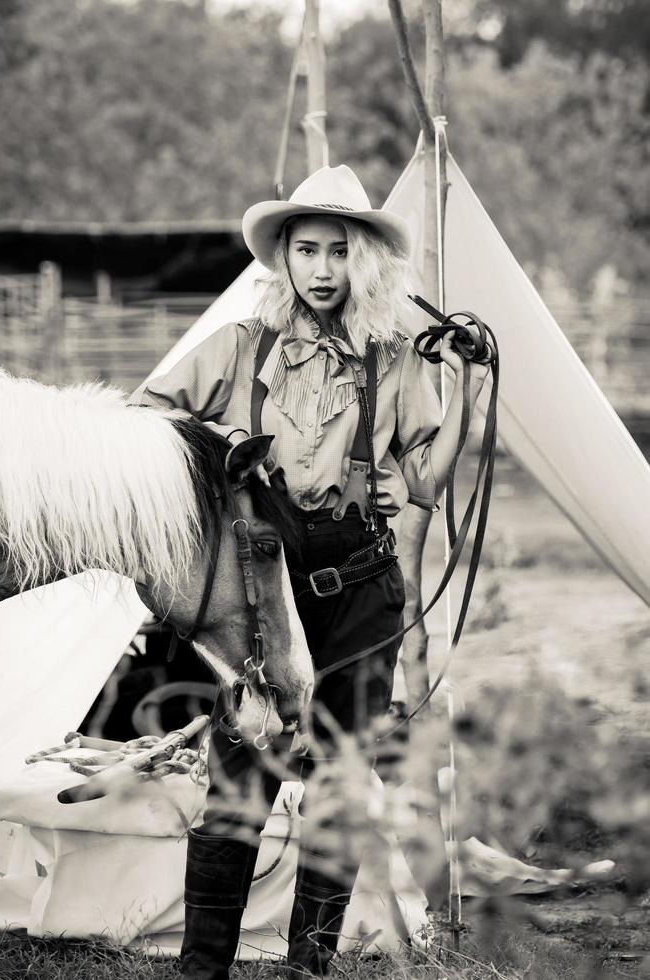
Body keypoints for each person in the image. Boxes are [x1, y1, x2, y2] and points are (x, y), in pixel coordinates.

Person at [139, 165, 488, 980]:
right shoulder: (236, 348)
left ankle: (308, 966)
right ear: (284, 259)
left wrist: (464, 381)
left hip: (360, 587)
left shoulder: (398, 361)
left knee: (340, 783)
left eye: (338, 251)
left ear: (362, 260)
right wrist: (216, 454)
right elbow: (148, 422)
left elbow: (427, 481)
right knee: (243, 765)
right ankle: (202, 968)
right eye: (307, 250)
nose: (323, 268)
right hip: (262, 584)